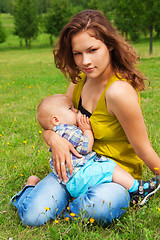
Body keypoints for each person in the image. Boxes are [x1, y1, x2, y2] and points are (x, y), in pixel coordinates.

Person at [11, 9, 160, 227]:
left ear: (109, 45)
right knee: (33, 216)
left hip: (113, 176)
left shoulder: (118, 92)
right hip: (74, 169)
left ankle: (64, 206)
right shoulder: (80, 80)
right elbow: (51, 124)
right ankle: (35, 190)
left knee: (101, 206)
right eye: (77, 53)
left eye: (92, 50)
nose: (85, 61)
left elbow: (143, 148)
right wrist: (54, 139)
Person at [37, 94, 160, 203]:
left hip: (74, 178)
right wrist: (87, 130)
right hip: (78, 176)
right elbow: (85, 147)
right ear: (56, 120)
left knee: (109, 167)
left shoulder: (60, 131)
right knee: (109, 169)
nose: (75, 111)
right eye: (71, 108)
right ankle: (138, 189)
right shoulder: (68, 132)